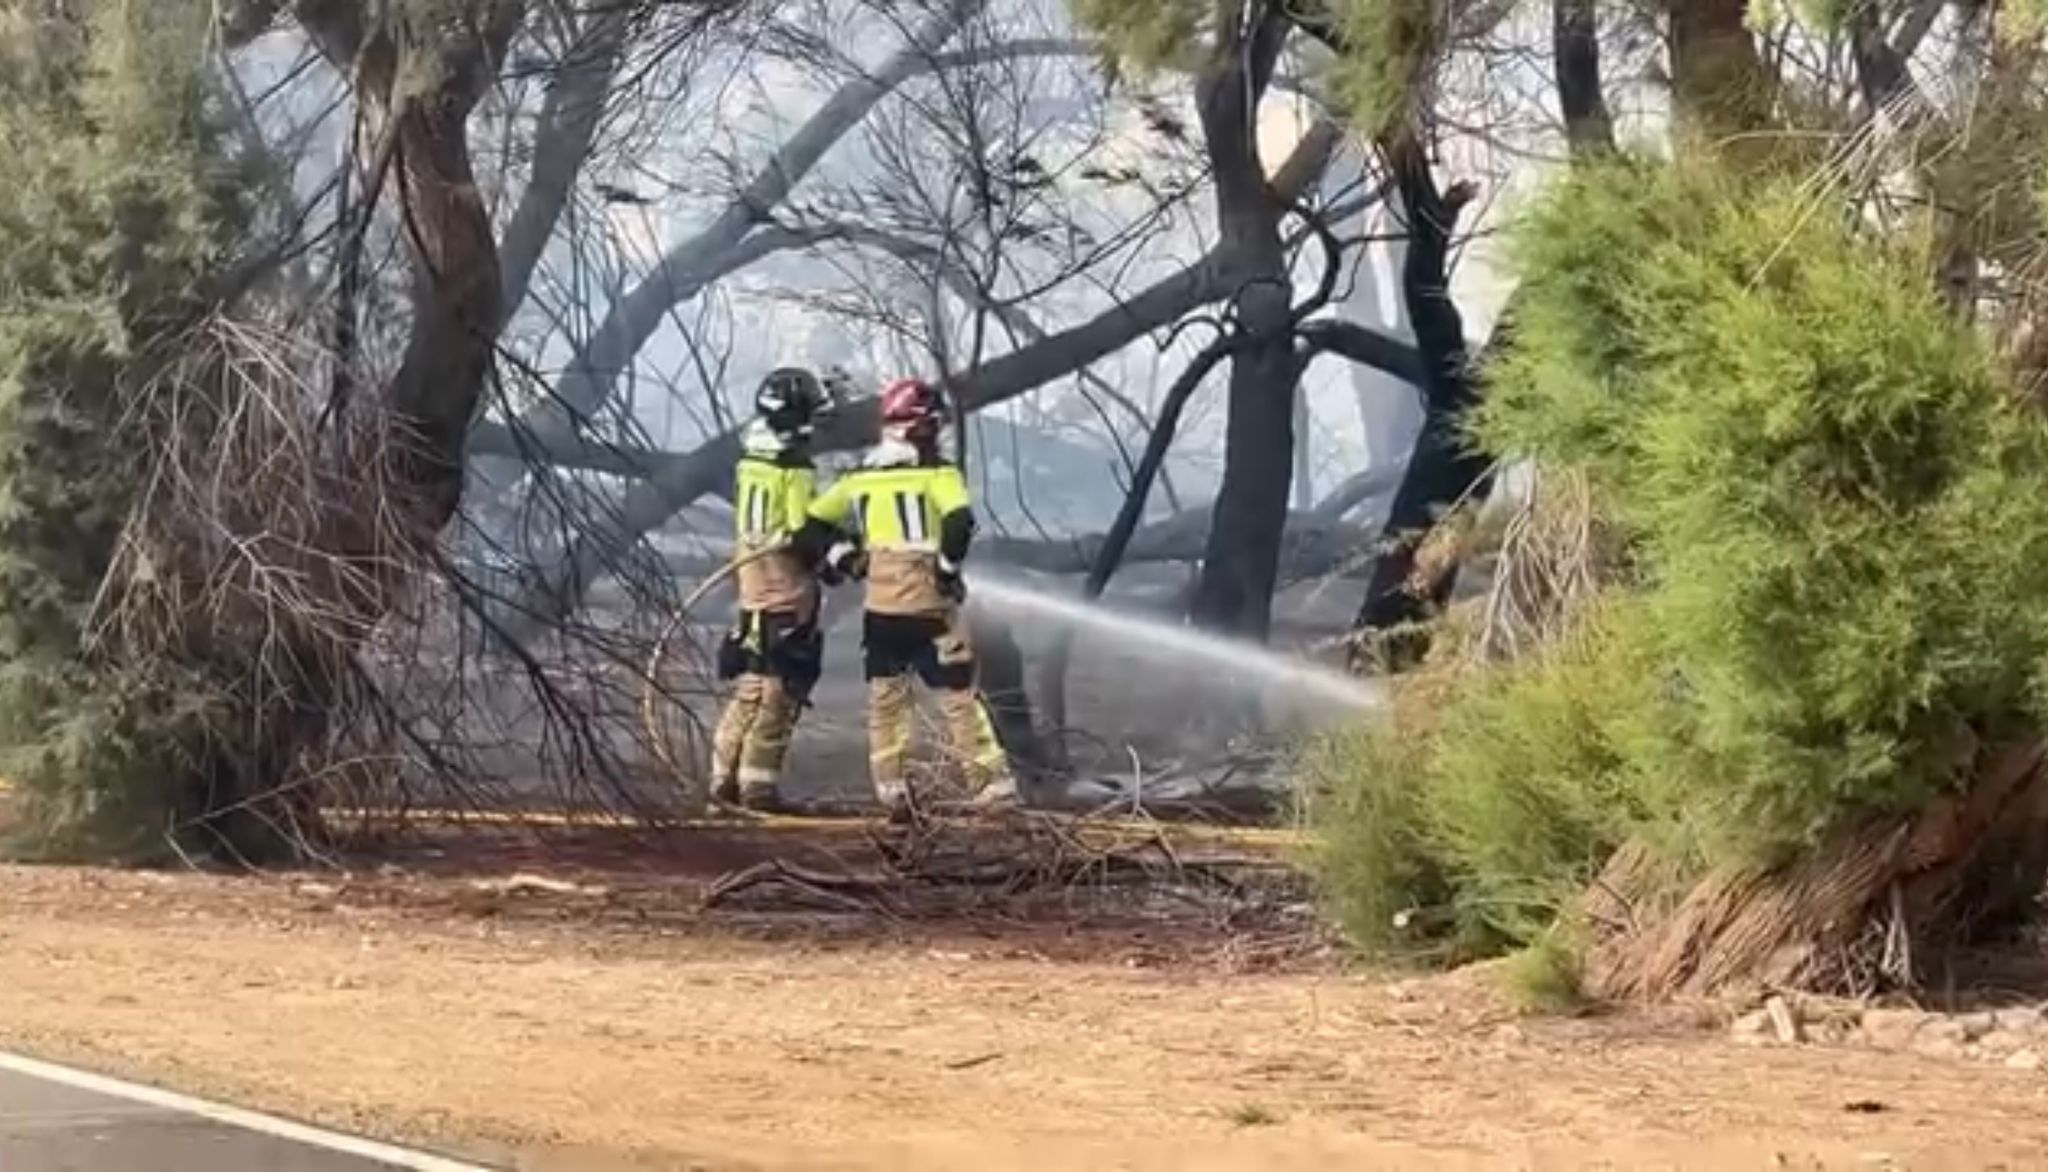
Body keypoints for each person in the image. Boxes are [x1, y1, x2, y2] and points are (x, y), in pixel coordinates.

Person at [796, 377, 1018, 813]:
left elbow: (809, 527)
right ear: (921, 428)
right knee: (958, 698)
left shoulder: (860, 481)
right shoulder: (939, 476)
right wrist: (947, 570)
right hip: (931, 611)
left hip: (882, 615)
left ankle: (893, 791)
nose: (938, 436)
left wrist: (846, 560)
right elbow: (959, 524)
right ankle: (991, 785)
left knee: (886, 704)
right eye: (933, 427)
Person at [706, 366, 830, 812]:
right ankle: (758, 790)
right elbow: (801, 531)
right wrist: (834, 552)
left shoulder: (750, 464)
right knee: (778, 694)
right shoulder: (793, 470)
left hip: (754, 587)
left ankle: (722, 785)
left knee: (752, 688)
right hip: (785, 590)